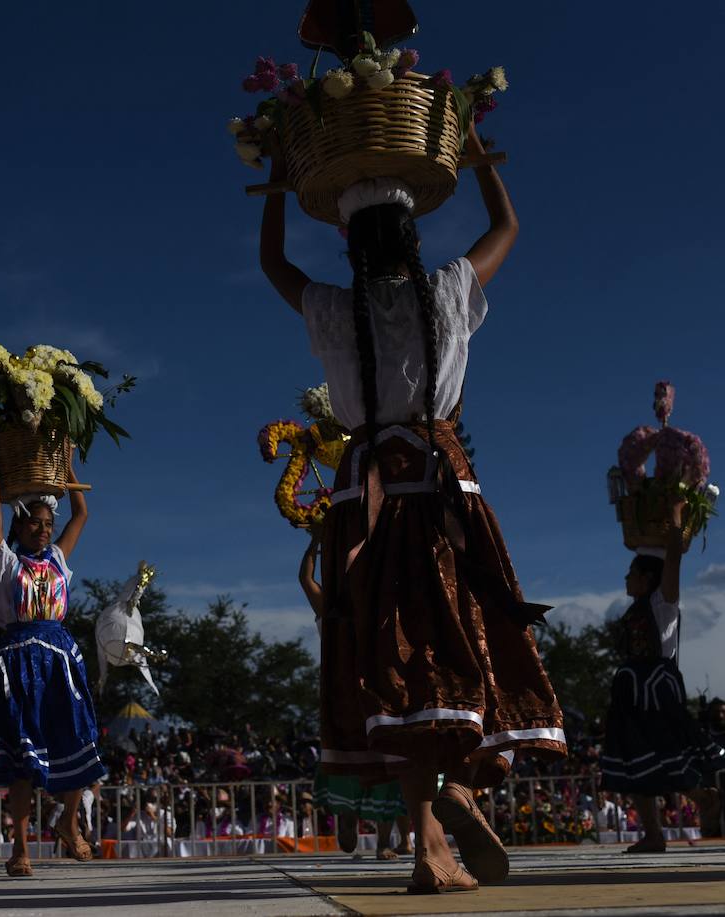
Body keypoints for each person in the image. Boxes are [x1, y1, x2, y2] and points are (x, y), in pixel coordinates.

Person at [260, 122, 566, 894]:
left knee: (391, 664)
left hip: (366, 503)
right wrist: (478, 156)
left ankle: (428, 841)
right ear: (412, 238)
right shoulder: (449, 290)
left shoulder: (335, 310)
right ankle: (458, 789)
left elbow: (273, 264)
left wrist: (276, 181)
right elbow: (507, 227)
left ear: (352, 248)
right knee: (466, 639)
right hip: (439, 488)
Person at [0, 442, 105, 877]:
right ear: (20, 524)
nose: (45, 530)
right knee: (22, 758)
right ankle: (20, 848)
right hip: (17, 664)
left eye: (49, 524)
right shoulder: (4, 561)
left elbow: (81, 514)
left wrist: (68, 468)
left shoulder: (57, 559)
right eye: (36, 522)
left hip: (59, 660)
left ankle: (69, 822)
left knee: (76, 740)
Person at [601, 519, 725, 851]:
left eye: (631, 573)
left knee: (665, 753)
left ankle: (702, 797)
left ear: (647, 578)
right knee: (633, 759)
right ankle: (654, 833)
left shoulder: (663, 603)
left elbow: (673, 558)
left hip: (656, 690)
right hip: (632, 690)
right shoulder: (636, 609)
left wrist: (675, 515)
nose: (626, 578)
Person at [299, 536, 410, 860]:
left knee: (377, 764)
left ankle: (373, 834)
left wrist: (315, 546)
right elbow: (306, 580)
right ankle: (360, 826)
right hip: (357, 696)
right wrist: (315, 541)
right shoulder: (336, 612)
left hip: (362, 696)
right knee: (365, 761)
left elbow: (305, 579)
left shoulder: (371, 610)